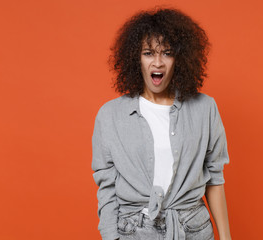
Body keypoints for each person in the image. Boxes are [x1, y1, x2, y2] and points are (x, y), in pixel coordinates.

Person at [92, 8, 231, 240]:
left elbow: (215, 179)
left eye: (167, 53)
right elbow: (106, 188)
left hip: (192, 229)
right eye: (148, 53)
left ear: (179, 59)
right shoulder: (110, 116)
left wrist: (226, 238)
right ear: (136, 58)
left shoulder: (205, 108)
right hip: (135, 232)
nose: (158, 62)